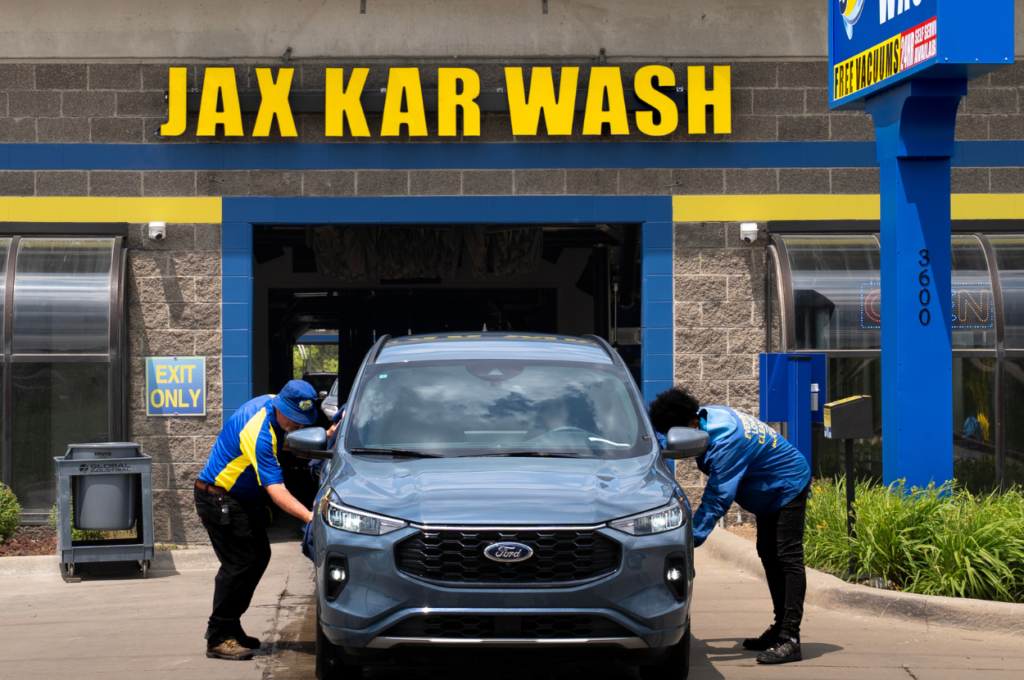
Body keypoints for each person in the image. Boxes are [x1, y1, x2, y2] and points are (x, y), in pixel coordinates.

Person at [648, 386, 811, 665]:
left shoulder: (726, 441)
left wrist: (687, 540)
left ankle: (790, 638)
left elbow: (718, 497)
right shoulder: (707, 417)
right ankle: (779, 628)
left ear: (692, 423)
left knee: (787, 556)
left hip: (787, 483)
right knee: (768, 553)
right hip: (768, 488)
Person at [194, 380, 319, 661]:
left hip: (236, 499)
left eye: (304, 420)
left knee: (258, 556)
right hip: (219, 499)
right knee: (239, 563)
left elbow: (283, 443)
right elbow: (277, 490)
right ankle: (218, 637)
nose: (299, 425)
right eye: (295, 419)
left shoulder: (273, 403)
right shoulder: (259, 432)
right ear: (281, 407)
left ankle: (230, 626)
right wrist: (309, 517)